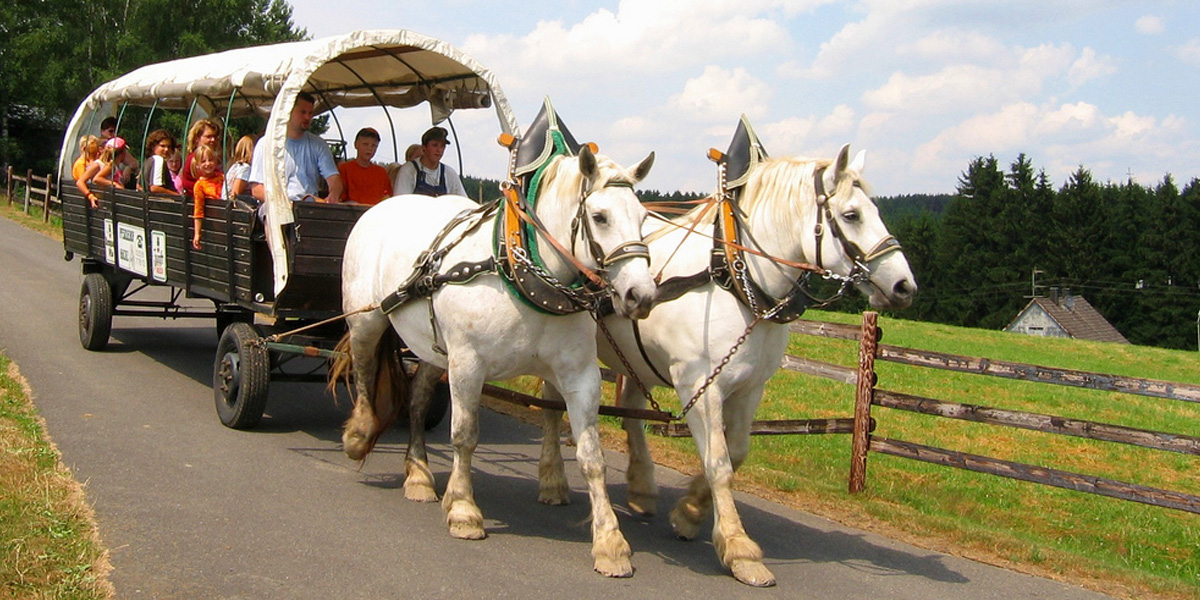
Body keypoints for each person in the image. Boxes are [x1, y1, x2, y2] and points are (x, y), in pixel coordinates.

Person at [248, 91, 342, 203]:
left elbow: (333, 178)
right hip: (274, 208)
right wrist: (282, 205)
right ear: (289, 112)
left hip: (308, 208)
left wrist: (334, 194)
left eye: (310, 113)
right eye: (303, 112)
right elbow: (257, 189)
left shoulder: (318, 144)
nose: (307, 117)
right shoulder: (266, 144)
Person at [393, 126, 465, 198]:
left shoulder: (449, 174)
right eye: (435, 145)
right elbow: (400, 202)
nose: (439, 150)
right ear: (424, 147)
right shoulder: (409, 171)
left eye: (442, 146)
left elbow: (463, 202)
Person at [337, 127, 393, 205]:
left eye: (373, 146)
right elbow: (339, 198)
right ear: (356, 145)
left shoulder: (381, 172)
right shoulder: (345, 169)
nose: (369, 148)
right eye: (365, 144)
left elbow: (387, 198)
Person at [76, 137, 129, 208]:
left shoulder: (111, 165)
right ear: (121, 153)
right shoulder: (108, 165)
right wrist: (90, 196)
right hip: (107, 202)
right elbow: (93, 179)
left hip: (110, 200)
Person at [191, 145, 225, 250]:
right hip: (215, 223)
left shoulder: (222, 177)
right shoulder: (200, 185)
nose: (207, 164)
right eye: (203, 161)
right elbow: (198, 210)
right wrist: (197, 233)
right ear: (197, 165)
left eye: (210, 160)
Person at [179, 119, 223, 197]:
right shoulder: (195, 158)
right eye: (208, 137)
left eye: (215, 136)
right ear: (197, 138)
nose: (213, 140)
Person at [98, 116, 140, 188]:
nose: (114, 134)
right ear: (102, 131)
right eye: (111, 131)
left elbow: (134, 163)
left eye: (116, 132)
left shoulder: (118, 147)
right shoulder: (96, 145)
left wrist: (128, 169)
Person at [141, 129, 178, 194]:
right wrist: (176, 195)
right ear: (153, 146)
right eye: (162, 146)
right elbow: (155, 188)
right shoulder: (158, 160)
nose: (166, 149)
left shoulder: (148, 161)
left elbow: (139, 186)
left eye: (169, 147)